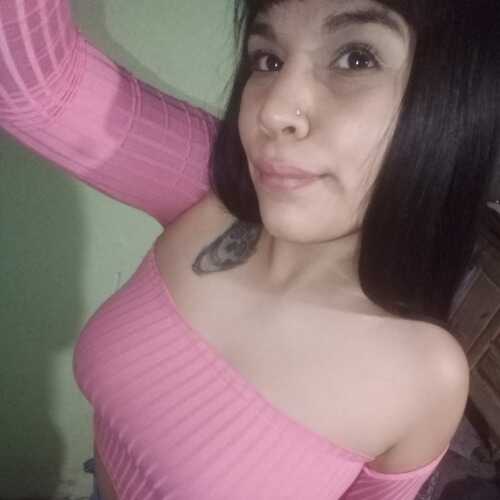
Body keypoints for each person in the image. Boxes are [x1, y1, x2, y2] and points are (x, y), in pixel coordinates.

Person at [1, 0, 498, 498]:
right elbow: (34, 87)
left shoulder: (425, 378)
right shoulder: (216, 187)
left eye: (356, 58)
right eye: (269, 59)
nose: (272, 110)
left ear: (453, 101)